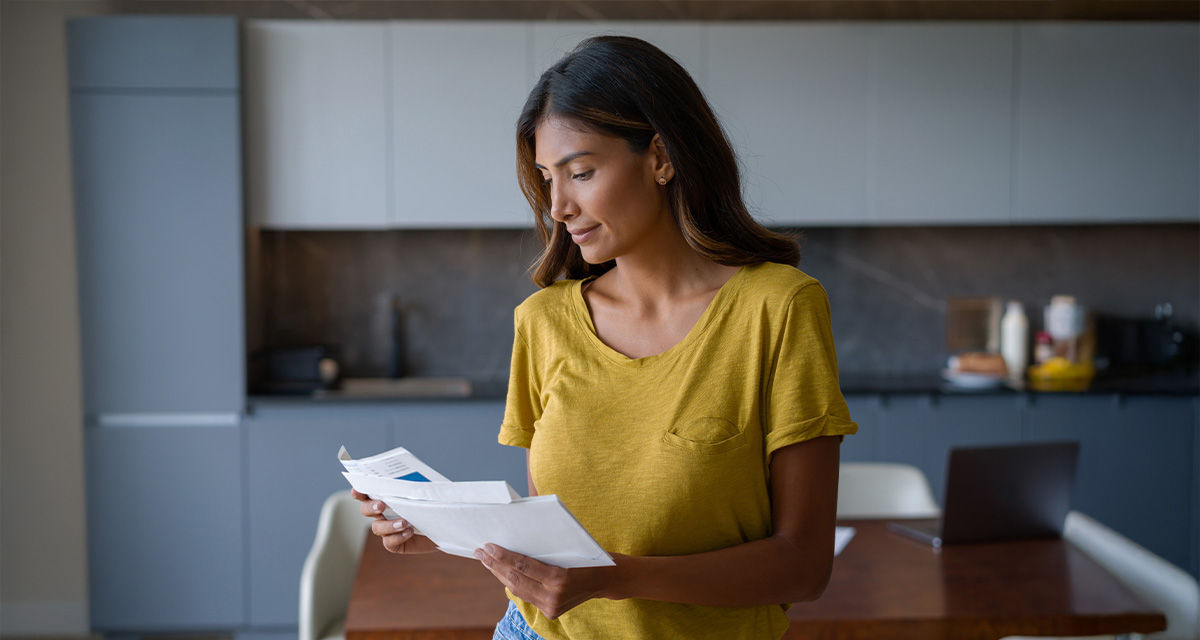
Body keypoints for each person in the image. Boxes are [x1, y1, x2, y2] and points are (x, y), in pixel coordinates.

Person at [356, 35, 857, 640]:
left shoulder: (779, 309)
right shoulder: (543, 322)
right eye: (546, 178)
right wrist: (443, 531)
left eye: (582, 172)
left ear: (661, 158)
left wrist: (615, 578)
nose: (559, 205)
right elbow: (554, 540)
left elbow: (803, 568)